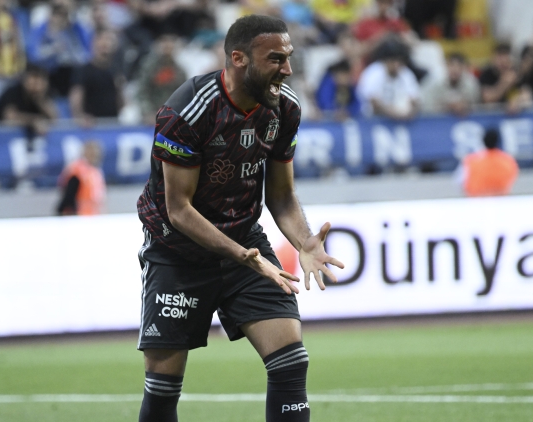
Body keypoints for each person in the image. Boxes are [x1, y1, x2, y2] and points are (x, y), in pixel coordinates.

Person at [135, 14, 344, 422]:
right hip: (177, 252)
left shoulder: (285, 107)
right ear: (238, 58)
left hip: (246, 244)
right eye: (276, 59)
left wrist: (304, 240)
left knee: (291, 360)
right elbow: (179, 210)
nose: (287, 69)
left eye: (288, 57)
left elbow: (280, 195)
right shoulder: (187, 112)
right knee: (162, 390)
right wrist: (240, 255)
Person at [28, 0, 92, 96]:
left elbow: (86, 56)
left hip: (71, 76)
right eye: (56, 15)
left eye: (63, 16)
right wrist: (52, 50)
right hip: (48, 77)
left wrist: (70, 50)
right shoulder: (41, 29)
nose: (59, 19)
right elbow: (33, 55)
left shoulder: (75, 30)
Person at [69, 30, 124, 126]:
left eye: (109, 40)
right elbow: (76, 97)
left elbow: (121, 101)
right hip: (90, 125)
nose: (106, 44)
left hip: (113, 123)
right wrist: (80, 116)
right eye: (102, 40)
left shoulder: (116, 71)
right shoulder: (83, 70)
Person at [356, 39, 420, 120]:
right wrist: (396, 115)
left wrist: (409, 113)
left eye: (399, 61)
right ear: (385, 60)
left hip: (403, 119)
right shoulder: (374, 72)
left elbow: (415, 100)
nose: (396, 65)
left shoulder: (406, 73)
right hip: (372, 120)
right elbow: (374, 102)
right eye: (393, 61)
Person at [0, 64, 57, 140]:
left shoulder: (43, 95)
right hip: (0, 138)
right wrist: (33, 121)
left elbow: (54, 118)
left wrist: (40, 100)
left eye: (39, 82)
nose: (35, 86)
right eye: (33, 81)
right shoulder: (12, 92)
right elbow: (9, 117)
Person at [136, 34, 187, 126]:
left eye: (170, 43)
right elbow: (142, 91)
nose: (167, 46)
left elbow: (184, 96)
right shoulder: (149, 67)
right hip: (152, 114)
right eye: (164, 43)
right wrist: (148, 112)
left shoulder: (180, 71)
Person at [460, 128, 519, 197]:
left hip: (477, 199)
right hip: (500, 199)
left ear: (483, 140)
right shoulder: (507, 160)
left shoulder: (471, 160)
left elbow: (461, 181)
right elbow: (513, 178)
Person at [57, 140, 106, 215]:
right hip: (80, 215)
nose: (94, 154)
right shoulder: (77, 169)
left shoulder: (96, 171)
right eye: (90, 152)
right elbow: (69, 195)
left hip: (94, 214)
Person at [479, 42, 529, 112]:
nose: (503, 61)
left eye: (506, 56)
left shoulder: (515, 73)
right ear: (493, 58)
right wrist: (504, 84)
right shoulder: (486, 74)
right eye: (500, 57)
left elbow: (526, 96)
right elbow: (487, 98)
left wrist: (517, 101)